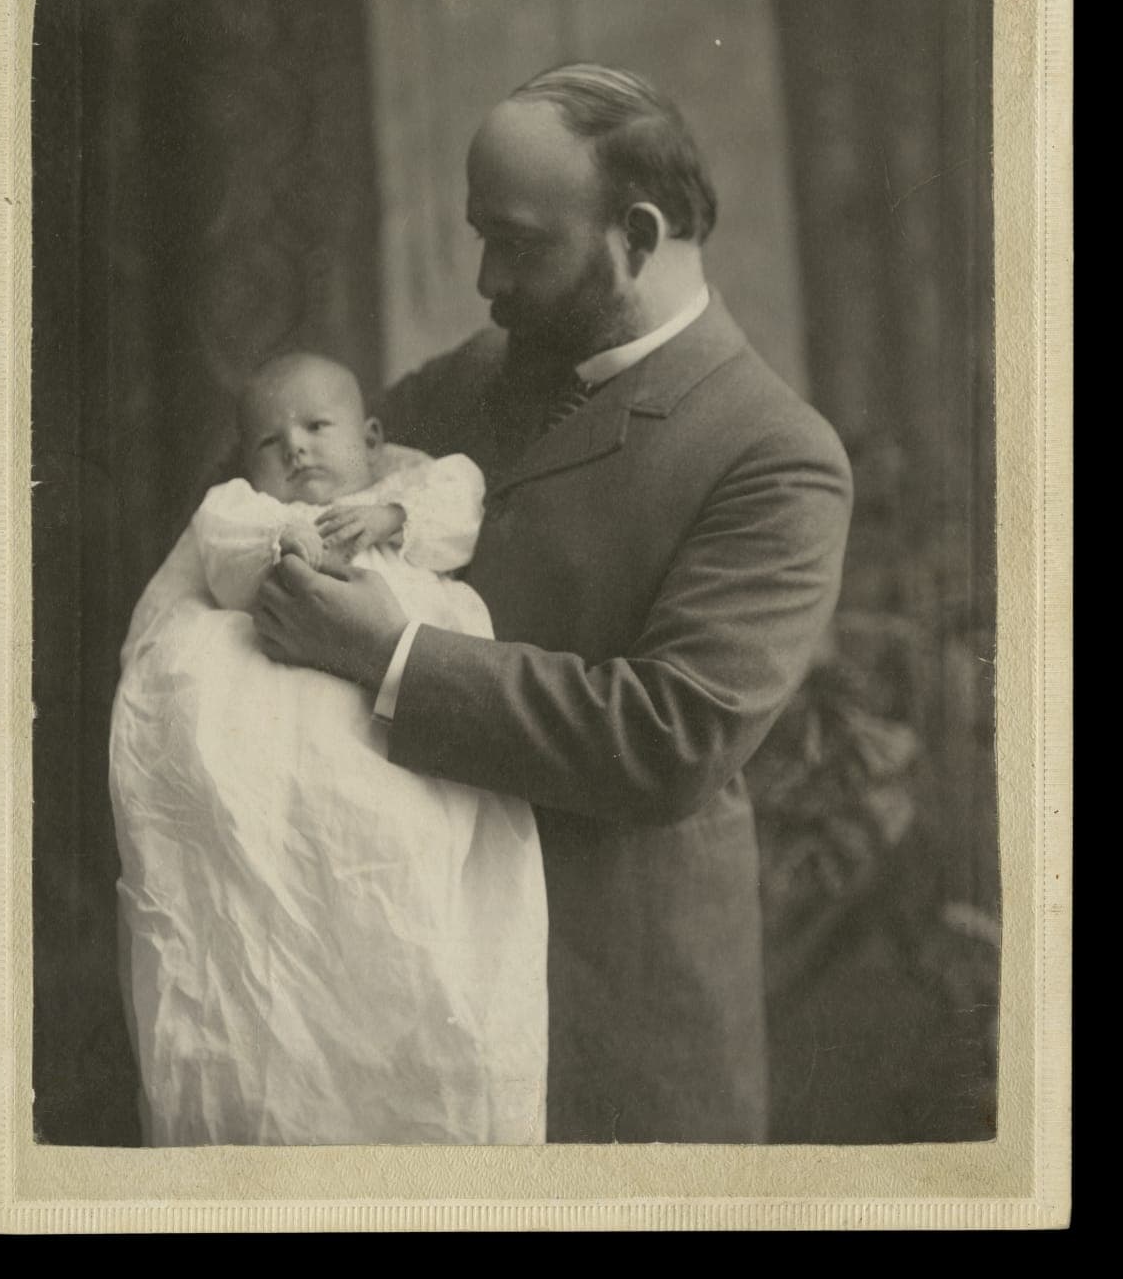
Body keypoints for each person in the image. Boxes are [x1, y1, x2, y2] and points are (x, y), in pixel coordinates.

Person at [252, 65, 854, 1143]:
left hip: (609, 1018)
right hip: (422, 978)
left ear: (637, 231)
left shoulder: (776, 454)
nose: (486, 280)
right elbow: (313, 487)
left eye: (518, 243)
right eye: (479, 234)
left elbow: (673, 736)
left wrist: (394, 656)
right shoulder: (477, 373)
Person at [109, 351, 549, 1146]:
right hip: (271, 707)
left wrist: (392, 519)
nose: (298, 451)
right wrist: (288, 538)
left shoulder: (408, 488)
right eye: (272, 444)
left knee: (406, 869)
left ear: (372, 439)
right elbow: (227, 555)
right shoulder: (243, 509)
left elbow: (461, 507)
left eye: (317, 428)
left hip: (400, 711)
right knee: (265, 838)